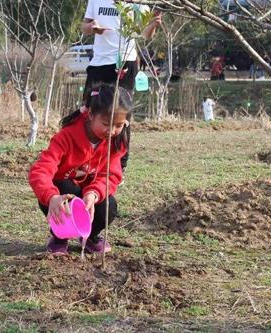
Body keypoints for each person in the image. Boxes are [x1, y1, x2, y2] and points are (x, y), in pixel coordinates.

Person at [29, 84, 132, 255]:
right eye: (106, 124)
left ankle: (90, 236)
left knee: (109, 205)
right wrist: (51, 196)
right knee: (68, 189)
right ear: (91, 115)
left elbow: (110, 175)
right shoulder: (66, 137)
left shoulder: (115, 143)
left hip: (87, 197)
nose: (112, 131)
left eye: (119, 125)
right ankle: (60, 236)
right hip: (63, 194)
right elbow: (40, 170)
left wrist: (93, 194)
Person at [81, 0, 162, 173]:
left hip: (125, 61)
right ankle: (86, 160)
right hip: (98, 64)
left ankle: (118, 166)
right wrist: (92, 27)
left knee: (121, 115)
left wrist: (153, 25)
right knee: (88, 110)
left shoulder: (139, 3)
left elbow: (144, 35)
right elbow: (84, 27)